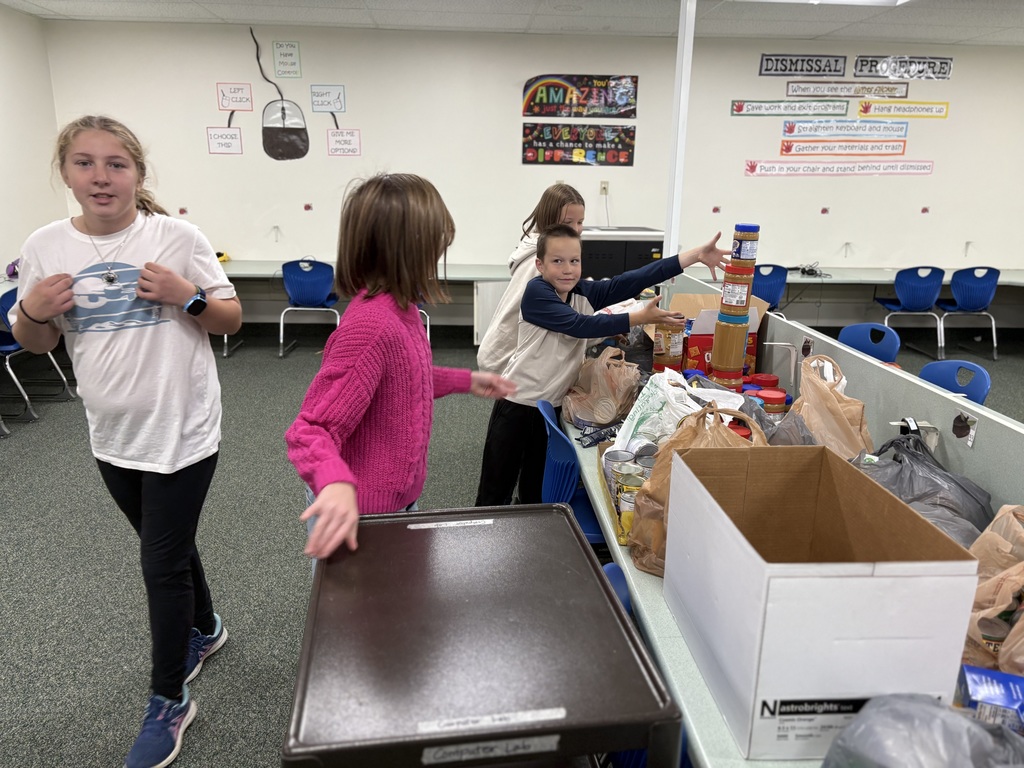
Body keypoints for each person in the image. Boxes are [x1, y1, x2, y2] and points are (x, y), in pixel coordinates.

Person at [11, 115, 241, 768]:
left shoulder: (176, 236)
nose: (101, 177)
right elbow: (37, 345)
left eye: (116, 164)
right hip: (111, 436)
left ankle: (169, 699)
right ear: (65, 173)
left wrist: (185, 296)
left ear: (139, 174)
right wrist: (32, 312)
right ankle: (207, 629)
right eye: (85, 163)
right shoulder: (46, 246)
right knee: (163, 545)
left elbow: (229, 319)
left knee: (159, 563)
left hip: (184, 431)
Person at [285, 173, 516, 560]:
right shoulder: (371, 328)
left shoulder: (403, 310)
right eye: (434, 245)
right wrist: (335, 482)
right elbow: (309, 429)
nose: (439, 255)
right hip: (358, 513)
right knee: (358, 615)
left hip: (395, 502)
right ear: (403, 250)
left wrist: (465, 380)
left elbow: (405, 378)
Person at [475, 224, 730, 507]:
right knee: (494, 491)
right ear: (540, 265)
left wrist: (692, 256)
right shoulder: (536, 292)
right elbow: (578, 325)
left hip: (550, 405)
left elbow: (630, 281)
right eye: (557, 261)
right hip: (517, 405)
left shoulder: (581, 291)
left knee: (534, 490)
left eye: (574, 261)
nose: (567, 269)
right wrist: (637, 317)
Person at [477, 183, 585, 375]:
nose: (576, 230)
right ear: (550, 220)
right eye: (568, 222)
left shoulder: (540, 248)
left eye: (580, 222)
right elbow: (568, 322)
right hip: (507, 359)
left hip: (503, 354)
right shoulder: (545, 263)